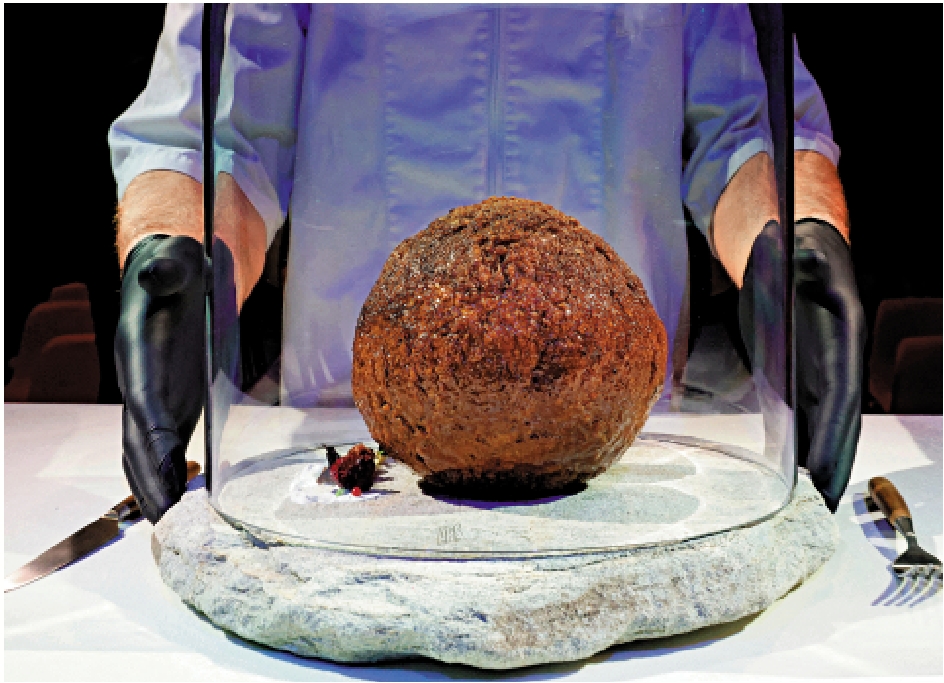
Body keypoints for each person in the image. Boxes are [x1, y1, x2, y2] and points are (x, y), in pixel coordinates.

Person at [109, 4, 864, 523]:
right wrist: (177, 251)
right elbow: (213, 130)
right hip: (347, 423)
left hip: (619, 435)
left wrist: (794, 241)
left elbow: (747, 128)